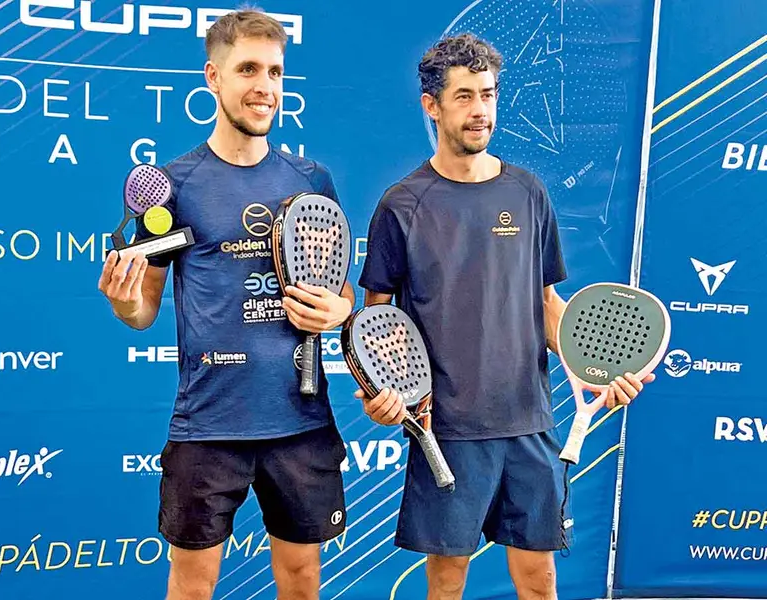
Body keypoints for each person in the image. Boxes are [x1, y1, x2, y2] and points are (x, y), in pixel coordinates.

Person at [355, 33, 654, 600]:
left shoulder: (528, 192)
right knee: (447, 585)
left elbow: (546, 304)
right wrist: (381, 395)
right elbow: (377, 323)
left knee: (539, 583)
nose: (480, 111)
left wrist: (599, 365)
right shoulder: (402, 204)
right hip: (448, 430)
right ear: (432, 105)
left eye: (488, 95)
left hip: (530, 423)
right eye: (464, 97)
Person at [97, 9, 355, 600]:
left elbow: (342, 292)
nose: (265, 87)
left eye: (275, 72)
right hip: (208, 426)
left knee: (301, 580)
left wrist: (338, 313)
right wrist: (122, 302)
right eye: (248, 70)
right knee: (193, 588)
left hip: (301, 420)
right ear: (213, 78)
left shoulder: (312, 180)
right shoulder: (173, 186)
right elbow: (142, 313)